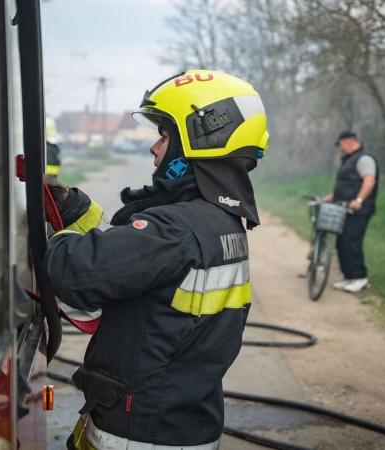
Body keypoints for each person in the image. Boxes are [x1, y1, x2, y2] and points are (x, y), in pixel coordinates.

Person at [44, 70, 270, 450]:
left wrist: (43, 232)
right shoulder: (220, 220)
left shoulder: (176, 229)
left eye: (164, 135)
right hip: (181, 419)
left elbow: (76, 273)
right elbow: (128, 255)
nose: (154, 148)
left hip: (139, 431)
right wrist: (75, 210)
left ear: (200, 140)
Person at [323, 130, 378, 293]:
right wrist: (327, 198)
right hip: (344, 208)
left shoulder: (364, 158)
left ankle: (360, 277)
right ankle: (348, 276)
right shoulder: (349, 160)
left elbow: (369, 181)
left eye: (340, 145)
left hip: (359, 210)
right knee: (342, 242)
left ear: (348, 142)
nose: (340, 148)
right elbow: (346, 187)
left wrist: (359, 200)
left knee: (352, 241)